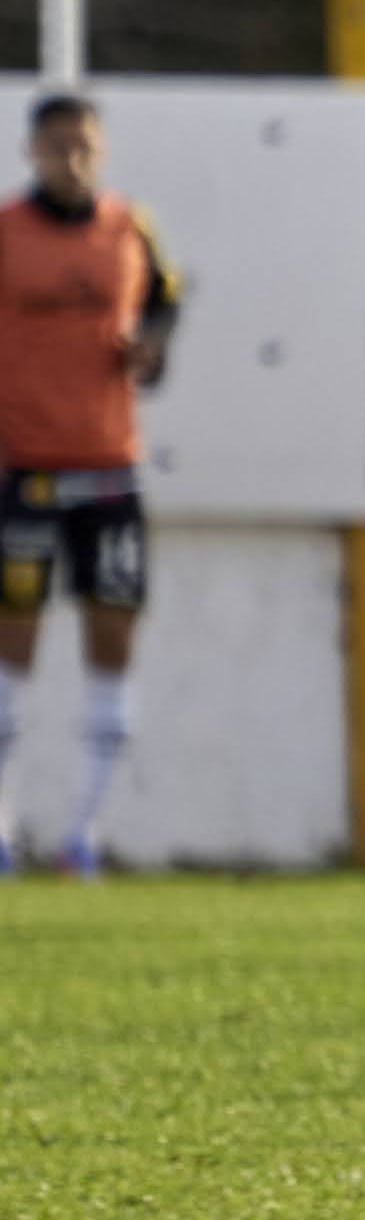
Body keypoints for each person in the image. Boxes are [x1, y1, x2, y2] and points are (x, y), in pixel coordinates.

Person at [0, 95, 182, 878]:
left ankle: (86, 835)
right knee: (16, 643)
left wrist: (153, 354)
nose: (70, 158)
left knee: (112, 639)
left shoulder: (130, 228)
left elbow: (164, 310)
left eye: (84, 144)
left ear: (100, 151)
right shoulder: (7, 232)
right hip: (25, 467)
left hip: (109, 466)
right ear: (31, 149)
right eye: (56, 144)